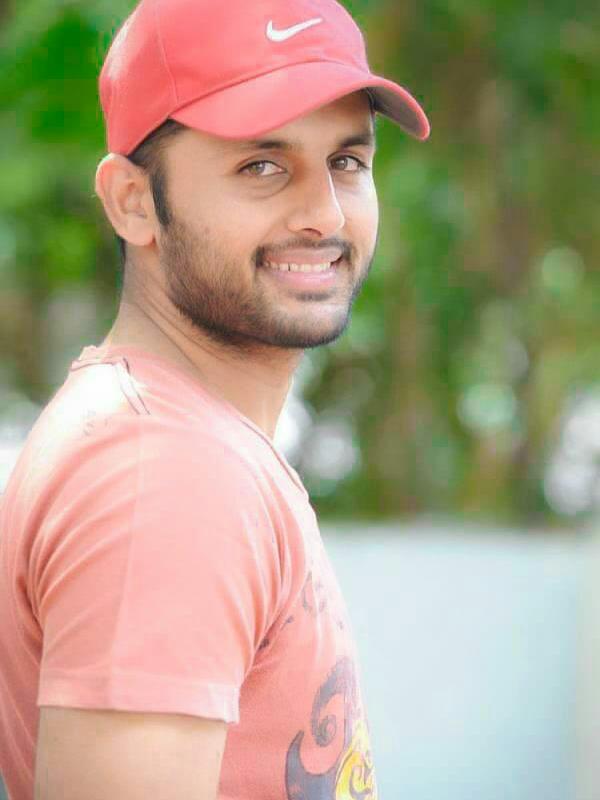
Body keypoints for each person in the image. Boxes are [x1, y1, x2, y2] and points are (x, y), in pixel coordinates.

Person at [0, 0, 430, 797]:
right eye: (261, 166)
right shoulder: (161, 474)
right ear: (132, 201)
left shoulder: (180, 442)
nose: (324, 215)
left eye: (346, 162)